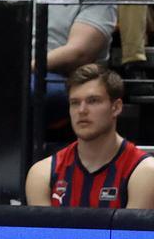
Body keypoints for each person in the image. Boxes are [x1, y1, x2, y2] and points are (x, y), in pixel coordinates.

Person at [26, 64, 154, 208]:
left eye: (93, 101)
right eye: (74, 103)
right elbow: (45, 231)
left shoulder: (144, 172)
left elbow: (129, 231)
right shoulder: (43, 173)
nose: (82, 110)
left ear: (116, 107)